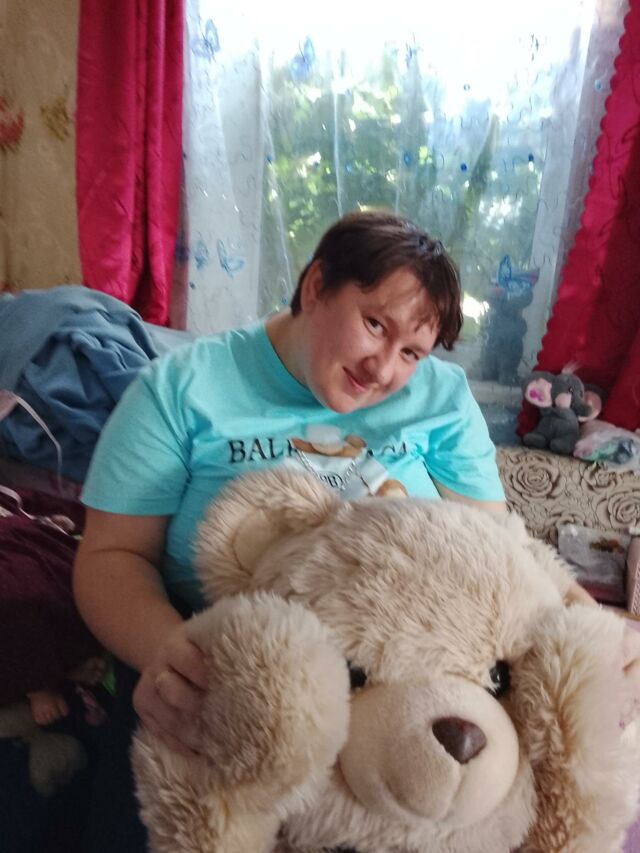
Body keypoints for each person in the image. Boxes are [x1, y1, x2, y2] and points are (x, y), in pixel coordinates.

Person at [72, 210, 589, 849]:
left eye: (411, 353)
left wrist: (585, 618)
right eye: (375, 325)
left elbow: (499, 551)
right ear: (316, 286)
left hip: (410, 687)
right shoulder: (182, 390)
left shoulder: (442, 400)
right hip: (244, 682)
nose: (383, 369)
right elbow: (114, 556)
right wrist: (168, 651)